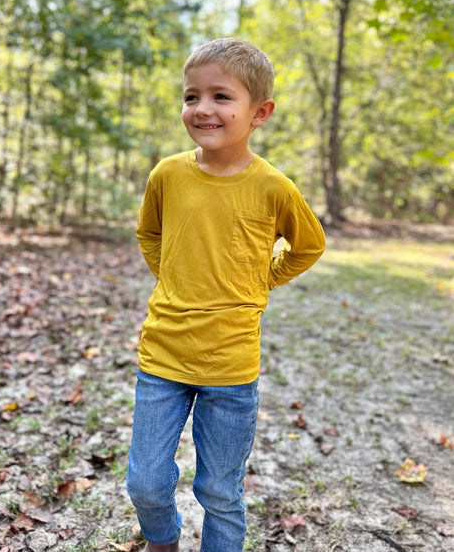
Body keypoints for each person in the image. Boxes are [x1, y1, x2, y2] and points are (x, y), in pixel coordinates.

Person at [127, 37, 325, 552]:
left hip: (231, 367)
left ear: (260, 112)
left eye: (221, 96)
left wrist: (262, 279)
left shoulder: (273, 187)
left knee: (219, 489)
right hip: (163, 356)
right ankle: (162, 542)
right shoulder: (167, 174)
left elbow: (309, 245)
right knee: (145, 483)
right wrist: (171, 273)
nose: (203, 109)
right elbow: (150, 233)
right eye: (192, 96)